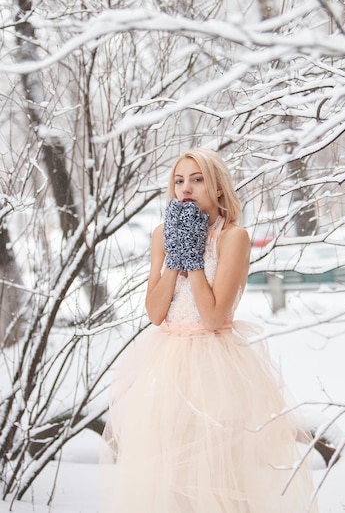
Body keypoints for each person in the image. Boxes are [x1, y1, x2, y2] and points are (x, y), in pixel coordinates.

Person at [102, 148, 317, 513]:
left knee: (218, 477)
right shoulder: (161, 234)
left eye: (197, 179)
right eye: (179, 180)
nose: (186, 188)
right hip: (166, 367)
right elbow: (155, 312)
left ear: (218, 188)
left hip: (216, 367)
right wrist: (175, 254)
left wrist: (194, 257)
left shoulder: (234, 237)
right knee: (169, 477)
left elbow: (213, 316)